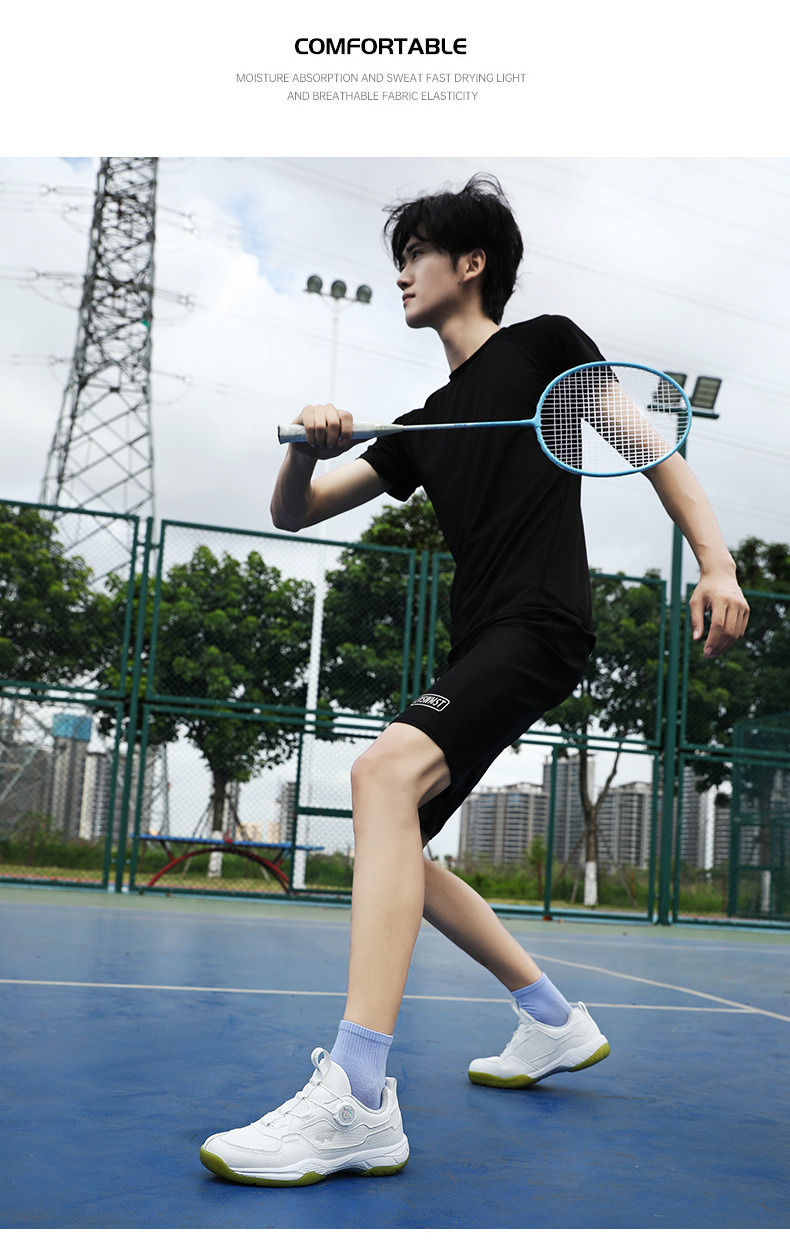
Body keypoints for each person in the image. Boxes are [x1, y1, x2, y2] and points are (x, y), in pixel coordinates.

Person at [200, 174, 750, 1187]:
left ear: (471, 262)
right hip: (478, 642)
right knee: (395, 838)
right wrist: (304, 449)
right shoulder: (427, 422)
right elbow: (297, 511)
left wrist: (715, 562)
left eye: (415, 253)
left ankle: (359, 1096)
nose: (401, 274)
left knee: (379, 775)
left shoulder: (544, 349)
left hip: (540, 624)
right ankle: (550, 1018)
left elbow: (653, 449)